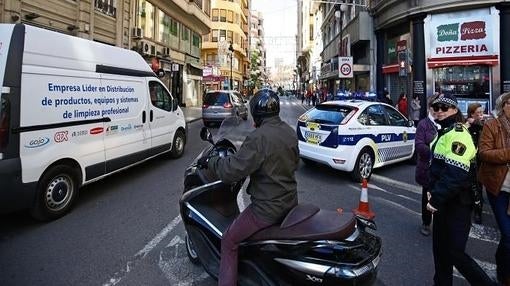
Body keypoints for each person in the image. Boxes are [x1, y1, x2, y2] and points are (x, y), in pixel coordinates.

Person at [198, 89, 299, 286]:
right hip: (290, 201)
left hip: (267, 209)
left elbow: (231, 172)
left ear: (256, 113)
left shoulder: (258, 138)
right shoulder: (288, 131)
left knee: (229, 240)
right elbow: (294, 163)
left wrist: (212, 163)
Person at [426, 93, 495, 286]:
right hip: (445, 202)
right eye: (436, 107)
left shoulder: (458, 134)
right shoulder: (444, 132)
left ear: (455, 110)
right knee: (440, 250)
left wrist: (435, 198)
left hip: (458, 203)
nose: (439, 111)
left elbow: (455, 174)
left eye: (444, 108)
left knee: (455, 253)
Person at [478, 92, 510, 286]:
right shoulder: (492, 125)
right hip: (497, 187)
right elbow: (483, 153)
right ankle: (504, 273)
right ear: (503, 105)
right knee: (507, 234)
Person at [415, 93, 440, 236]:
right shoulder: (423, 124)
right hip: (428, 169)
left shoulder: (445, 123)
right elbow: (419, 145)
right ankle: (426, 222)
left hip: (442, 170)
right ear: (430, 108)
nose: (439, 110)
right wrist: (437, 153)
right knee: (427, 196)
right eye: (437, 107)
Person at [466, 102, 485, 224]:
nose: (481, 115)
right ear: (472, 114)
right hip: (469, 160)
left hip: (480, 161)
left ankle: (478, 211)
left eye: (482, 112)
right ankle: (472, 208)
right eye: (478, 113)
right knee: (471, 186)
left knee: (478, 187)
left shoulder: (484, 124)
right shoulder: (467, 125)